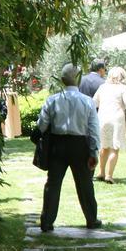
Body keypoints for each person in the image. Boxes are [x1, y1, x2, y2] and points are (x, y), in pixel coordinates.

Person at [37, 64, 101, 232]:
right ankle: (92, 219)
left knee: (53, 183)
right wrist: (94, 152)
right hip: (80, 146)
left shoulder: (52, 100)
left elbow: (41, 125)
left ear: (62, 80)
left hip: (58, 145)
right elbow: (94, 130)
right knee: (85, 183)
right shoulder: (88, 102)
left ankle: (47, 221)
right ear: (78, 78)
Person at [93, 66, 126, 183]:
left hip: (103, 117)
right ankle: (109, 175)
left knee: (104, 146)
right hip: (116, 118)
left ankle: (101, 172)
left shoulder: (102, 87)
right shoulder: (122, 88)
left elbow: (94, 102)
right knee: (114, 148)